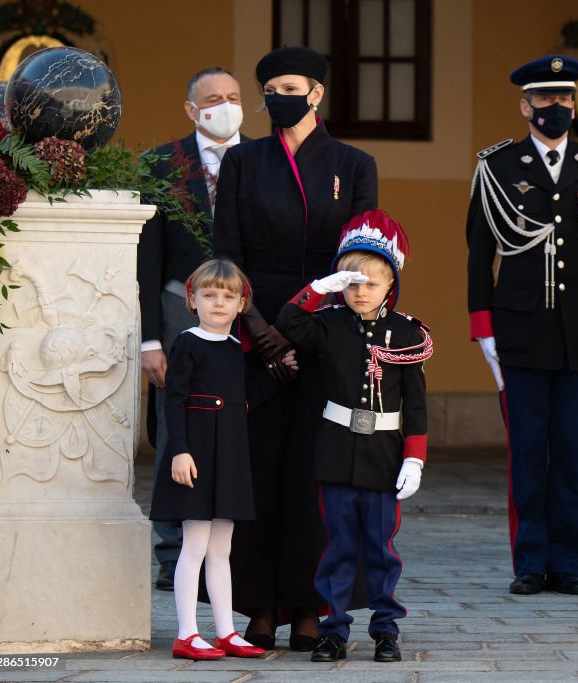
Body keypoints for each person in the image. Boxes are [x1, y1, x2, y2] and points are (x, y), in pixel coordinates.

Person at [213, 46, 378, 650]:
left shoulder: (354, 163)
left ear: (316, 93)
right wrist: (260, 330)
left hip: (326, 327)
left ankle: (313, 606)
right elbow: (225, 253)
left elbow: (360, 260)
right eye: (272, 86)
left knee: (317, 474)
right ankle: (257, 604)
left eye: (293, 85)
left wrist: (306, 325)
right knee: (258, 468)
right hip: (254, 328)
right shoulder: (243, 162)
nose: (281, 94)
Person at [466, 54, 578, 597]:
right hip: (520, 330)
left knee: (572, 452)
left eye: (566, 99)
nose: (557, 108)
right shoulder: (498, 166)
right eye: (546, 99)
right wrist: (482, 327)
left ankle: (567, 562)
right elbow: (479, 253)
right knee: (528, 449)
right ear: (525, 105)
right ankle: (530, 561)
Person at [275, 209, 431, 663]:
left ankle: (385, 629)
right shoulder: (328, 323)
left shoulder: (406, 334)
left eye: (371, 283)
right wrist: (316, 290)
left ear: (391, 286)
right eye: (351, 282)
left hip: (384, 457)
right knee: (338, 546)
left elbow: (416, 404)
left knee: (381, 550)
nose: (360, 292)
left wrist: (414, 458)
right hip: (337, 453)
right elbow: (289, 324)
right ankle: (334, 629)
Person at [139, 66, 246, 591]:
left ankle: (233, 551)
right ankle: (171, 552)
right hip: (180, 306)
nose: (224, 105)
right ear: (190, 108)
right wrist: (151, 338)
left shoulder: (264, 159)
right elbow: (148, 259)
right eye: (212, 99)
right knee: (176, 423)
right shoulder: (160, 163)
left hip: (249, 312)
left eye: (232, 97)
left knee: (238, 428)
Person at [149, 259, 265, 661]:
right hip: (195, 457)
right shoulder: (187, 342)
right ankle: (186, 633)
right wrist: (179, 451)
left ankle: (227, 631)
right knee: (194, 545)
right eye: (210, 295)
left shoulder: (237, 350)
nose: (218, 303)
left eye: (228, 297)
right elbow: (175, 401)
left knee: (221, 549)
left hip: (227, 459)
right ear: (192, 299)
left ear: (241, 303)